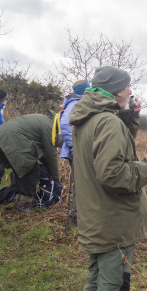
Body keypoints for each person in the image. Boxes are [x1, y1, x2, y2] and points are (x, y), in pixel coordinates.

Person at [70, 66, 147, 291]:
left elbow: (116, 147)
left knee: (96, 277)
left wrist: (129, 116)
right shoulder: (108, 123)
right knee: (111, 285)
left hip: (96, 214)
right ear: (119, 90)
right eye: (128, 86)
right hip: (113, 219)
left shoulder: (89, 118)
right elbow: (113, 174)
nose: (131, 90)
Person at [0, 114, 60, 213]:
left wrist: (49, 167)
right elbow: (51, 153)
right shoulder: (49, 126)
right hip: (12, 140)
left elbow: (44, 154)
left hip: (4, 137)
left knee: (22, 171)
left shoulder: (45, 120)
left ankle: (18, 201)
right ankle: (23, 205)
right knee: (31, 170)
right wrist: (56, 178)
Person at [61, 80, 89, 223]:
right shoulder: (75, 104)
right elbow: (65, 124)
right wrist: (75, 145)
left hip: (79, 150)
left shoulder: (77, 102)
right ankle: (76, 217)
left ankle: (79, 215)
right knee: (81, 184)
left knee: (84, 183)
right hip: (76, 151)